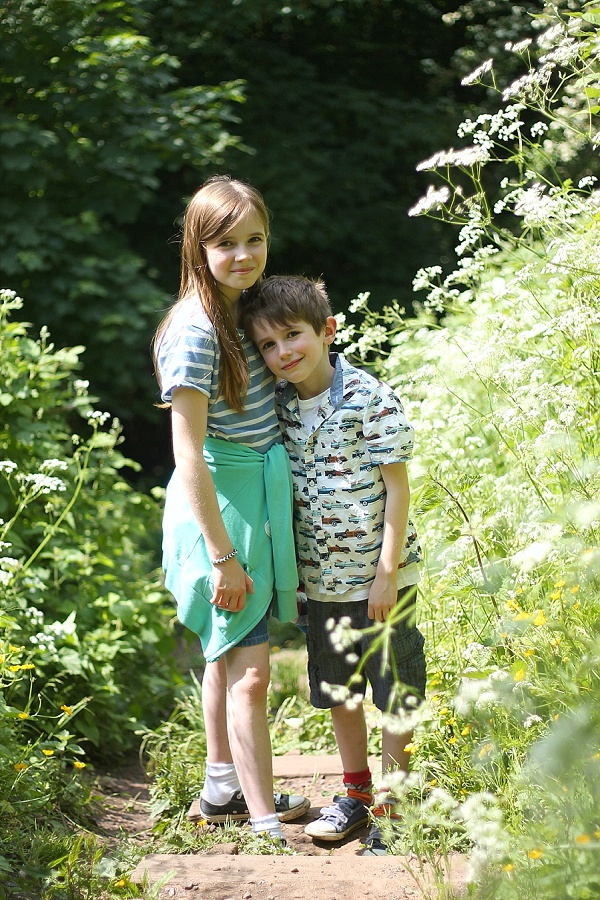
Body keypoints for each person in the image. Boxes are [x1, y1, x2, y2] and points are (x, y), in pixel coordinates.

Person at [242, 274, 426, 856]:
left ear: (327, 330)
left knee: (394, 689)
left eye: (292, 335)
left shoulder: (369, 397)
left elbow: (397, 490)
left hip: (381, 579)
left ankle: (396, 806)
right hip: (320, 582)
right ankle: (356, 793)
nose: (283, 352)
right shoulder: (278, 406)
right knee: (339, 691)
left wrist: (386, 572)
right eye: (268, 345)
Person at [152, 177, 310, 842]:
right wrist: (222, 557)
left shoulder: (246, 311)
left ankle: (221, 789)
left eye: (256, 239)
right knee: (251, 675)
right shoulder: (195, 331)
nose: (244, 254)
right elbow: (188, 453)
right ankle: (264, 820)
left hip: (249, 501)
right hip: (219, 513)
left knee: (225, 654)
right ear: (199, 247)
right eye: (227, 243)